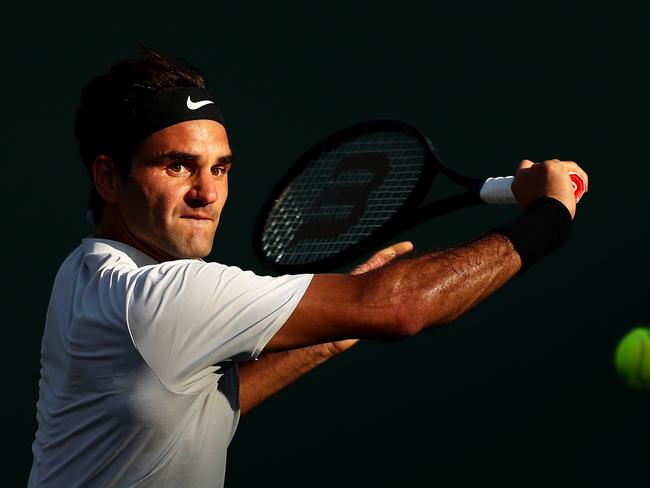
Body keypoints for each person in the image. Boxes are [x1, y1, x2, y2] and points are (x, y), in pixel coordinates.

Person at [28, 47, 588, 487]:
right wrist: (548, 216)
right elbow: (402, 309)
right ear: (108, 178)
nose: (207, 193)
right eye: (178, 166)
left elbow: (197, 401)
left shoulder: (84, 272)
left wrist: (330, 332)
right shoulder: (165, 296)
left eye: (220, 169)